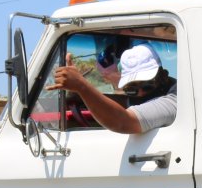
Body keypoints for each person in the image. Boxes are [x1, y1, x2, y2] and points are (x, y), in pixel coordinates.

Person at [47, 44, 178, 135]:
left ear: (164, 76)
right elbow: (124, 101)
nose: (140, 93)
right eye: (131, 89)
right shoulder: (153, 94)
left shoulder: (175, 99)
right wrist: (80, 95)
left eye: (147, 85)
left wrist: (82, 87)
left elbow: (123, 122)